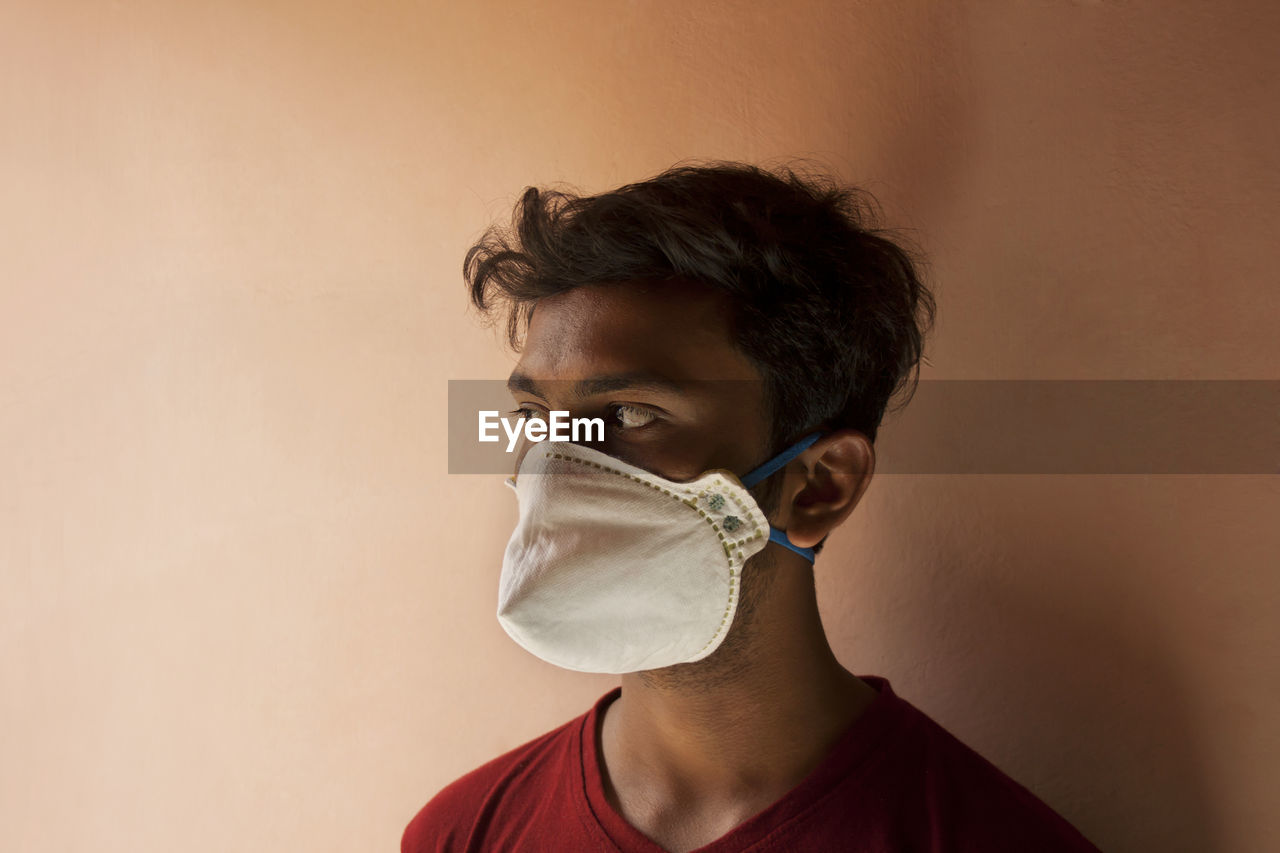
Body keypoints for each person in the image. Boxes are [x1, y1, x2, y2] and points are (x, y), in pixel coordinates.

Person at [403, 161, 1100, 852]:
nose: (558, 464)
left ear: (819, 484)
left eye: (632, 412)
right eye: (533, 413)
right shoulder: (461, 834)